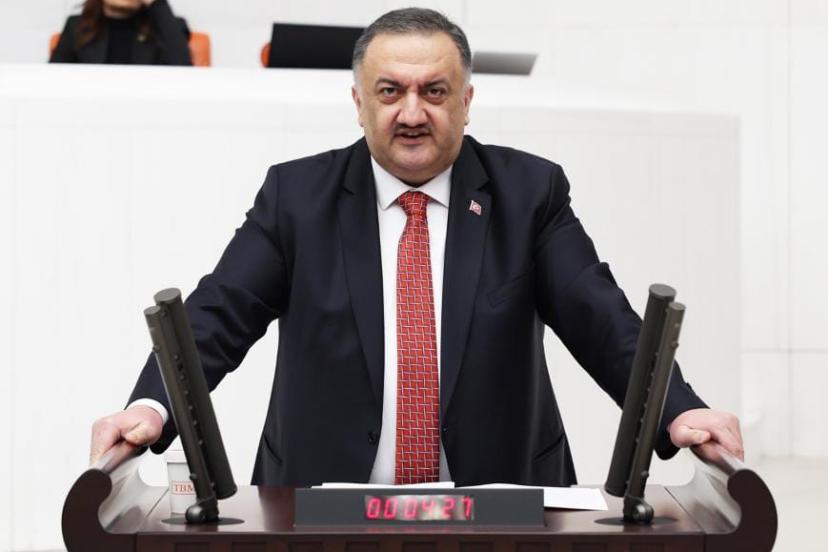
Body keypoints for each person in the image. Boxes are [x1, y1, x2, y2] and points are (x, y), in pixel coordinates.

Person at [89, 8, 743, 486]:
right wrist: (151, 406)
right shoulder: (297, 198)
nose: (411, 113)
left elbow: (602, 320)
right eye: (390, 91)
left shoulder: (529, 194)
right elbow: (217, 315)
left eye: (434, 91)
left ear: (466, 101)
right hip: (323, 506)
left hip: (499, 505)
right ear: (358, 102)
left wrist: (678, 409)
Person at [50, 0, 191, 65]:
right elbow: (54, 79)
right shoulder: (76, 26)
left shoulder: (168, 27)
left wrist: (157, 4)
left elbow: (184, 72)